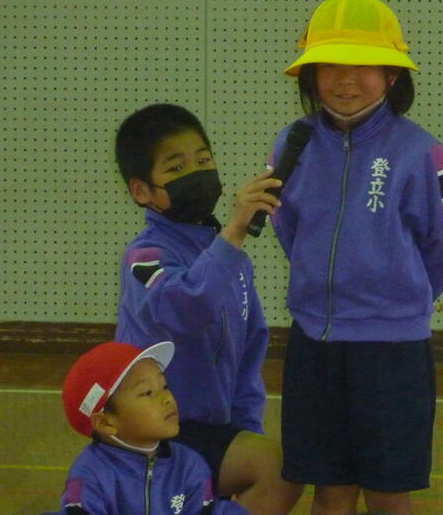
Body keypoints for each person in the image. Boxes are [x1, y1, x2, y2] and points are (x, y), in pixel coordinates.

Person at [271, 0, 443, 515]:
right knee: (329, 489)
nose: (346, 80)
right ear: (310, 75)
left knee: (386, 490)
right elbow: (288, 229)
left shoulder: (422, 152)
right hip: (314, 344)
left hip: (392, 350)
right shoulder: (291, 144)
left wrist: (394, 296)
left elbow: (442, 247)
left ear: (392, 75)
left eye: (363, 66)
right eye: (330, 66)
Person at [113, 104, 303, 515]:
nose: (197, 173)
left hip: (210, 433)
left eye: (203, 161)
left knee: (277, 468)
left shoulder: (234, 263)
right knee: (277, 469)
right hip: (153, 434)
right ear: (142, 191)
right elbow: (186, 307)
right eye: (176, 168)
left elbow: (248, 358)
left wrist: (245, 435)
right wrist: (235, 230)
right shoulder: (144, 257)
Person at [56, 340, 249, 514]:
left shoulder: (188, 465)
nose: (167, 398)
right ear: (106, 423)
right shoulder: (90, 476)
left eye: (164, 386)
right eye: (147, 392)